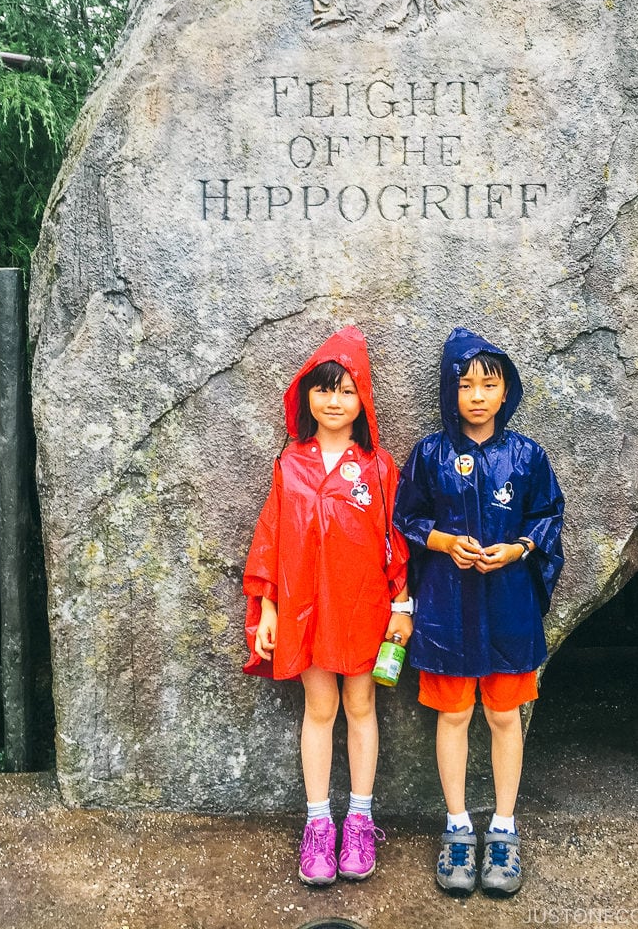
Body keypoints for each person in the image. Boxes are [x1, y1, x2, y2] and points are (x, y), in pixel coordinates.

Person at [393, 326, 564, 896]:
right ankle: (458, 826)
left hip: (509, 607)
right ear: (450, 390)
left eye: (489, 384)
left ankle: (506, 828)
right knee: (453, 716)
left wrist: (519, 547)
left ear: (506, 390)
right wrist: (442, 542)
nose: (476, 395)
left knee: (503, 715)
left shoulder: (527, 454)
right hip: (445, 608)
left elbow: (547, 513)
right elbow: (404, 519)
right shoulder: (429, 453)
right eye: (464, 384)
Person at [242, 325, 413, 887]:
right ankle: (319, 824)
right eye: (323, 389)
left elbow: (395, 540)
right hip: (305, 610)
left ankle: (359, 819)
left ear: (362, 398)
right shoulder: (290, 464)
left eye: (345, 390)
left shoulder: (379, 467)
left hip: (362, 607)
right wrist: (265, 608)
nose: (334, 401)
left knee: (361, 705)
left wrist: (401, 605)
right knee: (319, 709)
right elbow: (271, 537)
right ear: (305, 396)